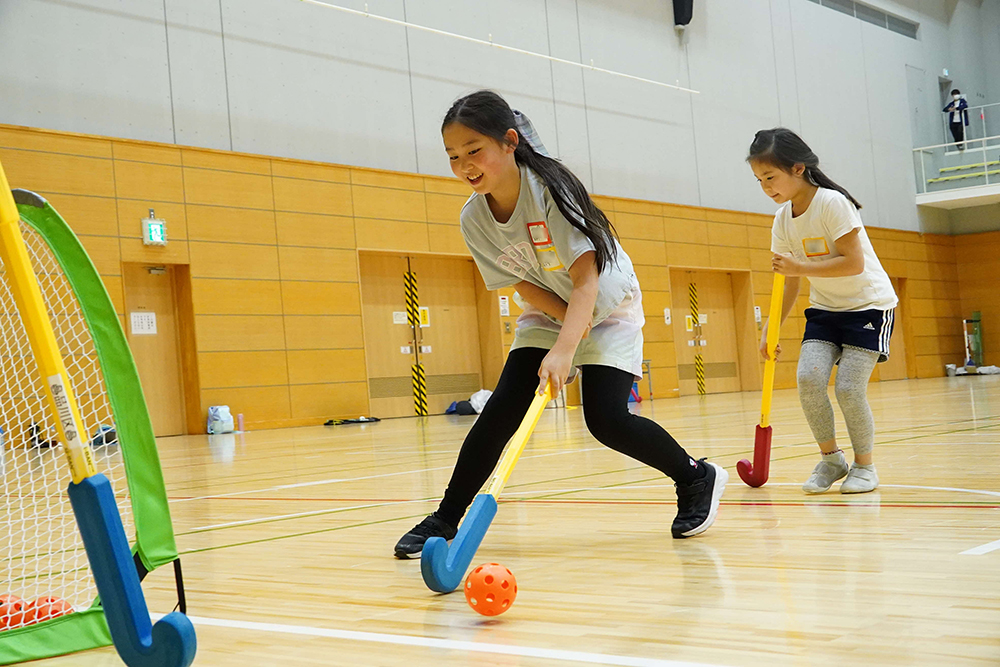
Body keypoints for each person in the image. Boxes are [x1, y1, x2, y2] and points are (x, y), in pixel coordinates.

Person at [394, 90, 728, 558]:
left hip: (609, 306)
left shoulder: (550, 190)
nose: (465, 164)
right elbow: (521, 286)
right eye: (453, 156)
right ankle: (447, 516)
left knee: (606, 420)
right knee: (501, 411)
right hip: (547, 308)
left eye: (474, 151)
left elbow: (586, 282)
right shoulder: (474, 219)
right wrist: (561, 332)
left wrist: (568, 348)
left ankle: (695, 478)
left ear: (509, 142)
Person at [747, 128, 897, 495]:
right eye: (759, 180)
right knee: (808, 379)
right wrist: (770, 327)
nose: (766, 187)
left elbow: (854, 263)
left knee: (848, 388)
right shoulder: (783, 219)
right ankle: (832, 460)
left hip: (868, 306)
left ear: (798, 169)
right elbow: (790, 282)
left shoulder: (832, 203)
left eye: (771, 177)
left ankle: (865, 466)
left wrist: (800, 268)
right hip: (826, 310)